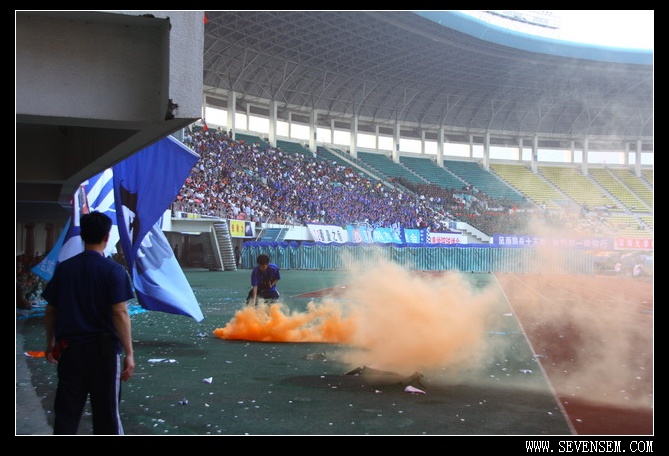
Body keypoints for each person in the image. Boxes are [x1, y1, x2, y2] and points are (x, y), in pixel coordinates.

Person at [42, 211, 136, 435]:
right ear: (107, 236)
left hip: (69, 350)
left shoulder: (64, 269)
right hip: (103, 353)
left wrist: (50, 342)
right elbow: (120, 312)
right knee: (106, 415)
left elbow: (51, 309)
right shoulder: (114, 270)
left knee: (66, 413)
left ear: (82, 235)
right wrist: (129, 352)